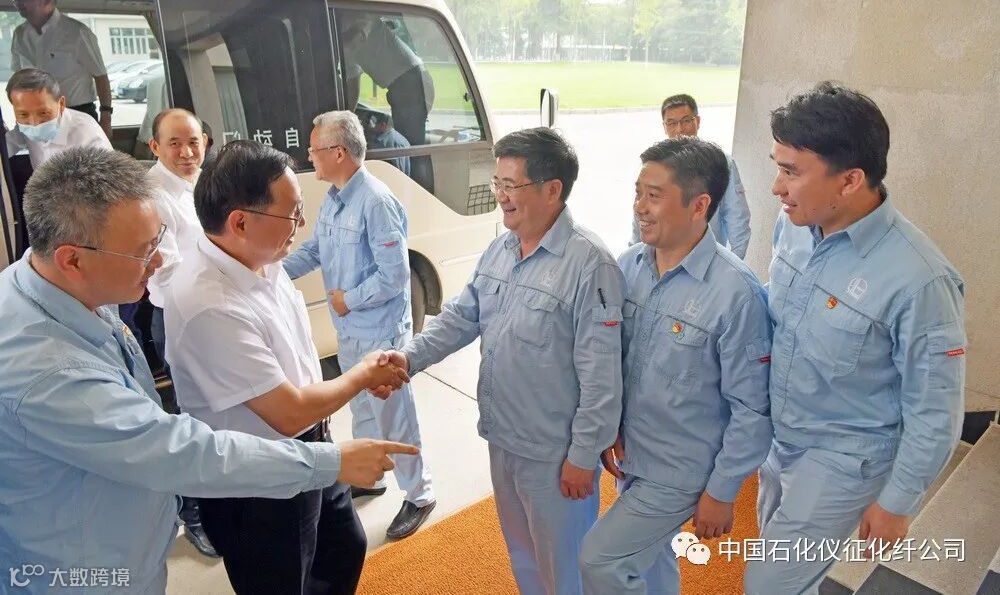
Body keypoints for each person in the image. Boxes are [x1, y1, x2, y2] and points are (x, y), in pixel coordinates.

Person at [0, 147, 417, 594]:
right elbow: (181, 453)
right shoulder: (47, 371)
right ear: (72, 259)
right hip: (84, 570)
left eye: (159, 240)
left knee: (340, 552)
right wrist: (332, 460)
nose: (159, 262)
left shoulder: (65, 289)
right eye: (143, 252)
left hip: (141, 537)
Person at [743, 82, 966, 594]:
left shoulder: (920, 280)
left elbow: (935, 408)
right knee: (783, 569)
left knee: (768, 584)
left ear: (849, 181)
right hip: (781, 438)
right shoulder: (795, 225)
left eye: (791, 172)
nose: (776, 187)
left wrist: (898, 502)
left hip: (845, 458)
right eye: (777, 167)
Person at [164, 139, 411, 595]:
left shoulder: (260, 257)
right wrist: (362, 375)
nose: (300, 223)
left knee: (343, 549)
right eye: (293, 213)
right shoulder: (208, 303)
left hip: (310, 445)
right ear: (240, 222)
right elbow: (289, 412)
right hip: (260, 484)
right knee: (284, 581)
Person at [385, 128, 626, 594]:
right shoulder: (502, 248)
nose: (500, 195)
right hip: (503, 439)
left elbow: (602, 376)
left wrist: (583, 456)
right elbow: (461, 316)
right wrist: (408, 358)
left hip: (554, 455)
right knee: (523, 556)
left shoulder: (590, 265)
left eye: (510, 184)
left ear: (552, 190)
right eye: (497, 182)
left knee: (564, 568)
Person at [579, 137, 772, 595]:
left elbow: (752, 410)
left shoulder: (737, 294)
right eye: (637, 192)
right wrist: (608, 428)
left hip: (683, 469)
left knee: (600, 560)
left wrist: (722, 491)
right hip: (633, 454)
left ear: (699, 205)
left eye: (654, 195)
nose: (640, 207)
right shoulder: (628, 266)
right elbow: (614, 362)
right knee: (651, 563)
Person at [284, 111, 435, 539]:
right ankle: (372, 477)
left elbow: (394, 276)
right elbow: (315, 250)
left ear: (338, 152)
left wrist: (347, 299)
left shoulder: (375, 201)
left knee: (396, 416)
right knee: (363, 409)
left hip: (379, 333)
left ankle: (420, 494)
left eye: (314, 149)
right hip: (351, 330)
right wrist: (270, 271)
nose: (309, 155)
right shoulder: (335, 198)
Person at [144, 108, 217, 557]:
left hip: (215, 311)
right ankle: (193, 516)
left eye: (193, 141)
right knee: (188, 417)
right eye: (174, 143)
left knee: (218, 408)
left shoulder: (206, 183)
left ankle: (220, 501)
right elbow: (168, 269)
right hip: (178, 317)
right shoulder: (152, 194)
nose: (187, 152)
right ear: (155, 147)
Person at [629, 94, 751, 259]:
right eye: (672, 123)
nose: (679, 129)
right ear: (664, 126)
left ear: (697, 121)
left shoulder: (721, 163)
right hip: (661, 260)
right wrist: (635, 259)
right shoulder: (654, 164)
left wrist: (729, 266)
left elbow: (738, 220)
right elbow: (639, 219)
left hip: (705, 261)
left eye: (686, 121)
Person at [9, 0, 114, 137]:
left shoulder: (77, 32)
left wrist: (106, 120)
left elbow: (100, 76)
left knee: (82, 153)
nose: (17, 1)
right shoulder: (20, 34)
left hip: (77, 114)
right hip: (37, 117)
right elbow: (18, 78)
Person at [341, 13, 434, 147]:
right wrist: (346, 119)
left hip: (413, 82)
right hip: (405, 83)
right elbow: (352, 87)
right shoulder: (348, 49)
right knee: (405, 144)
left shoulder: (362, 19)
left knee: (408, 148)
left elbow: (361, 32)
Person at [5, 68, 110, 169]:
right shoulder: (24, 128)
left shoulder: (87, 134)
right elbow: (8, 145)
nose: (34, 123)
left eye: (43, 113)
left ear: (61, 104)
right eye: (23, 114)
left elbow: (108, 177)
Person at [369, 111, 412, 175]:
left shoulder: (395, 142)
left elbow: (399, 173)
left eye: (374, 125)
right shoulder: (386, 139)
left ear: (383, 125)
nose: (370, 127)